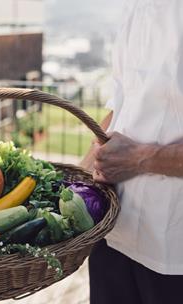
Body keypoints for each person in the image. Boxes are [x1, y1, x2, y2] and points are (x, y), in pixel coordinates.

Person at [81, 1, 183, 303]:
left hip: (173, 252)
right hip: (114, 232)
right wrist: (77, 179)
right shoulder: (135, 8)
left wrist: (141, 157)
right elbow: (124, 104)